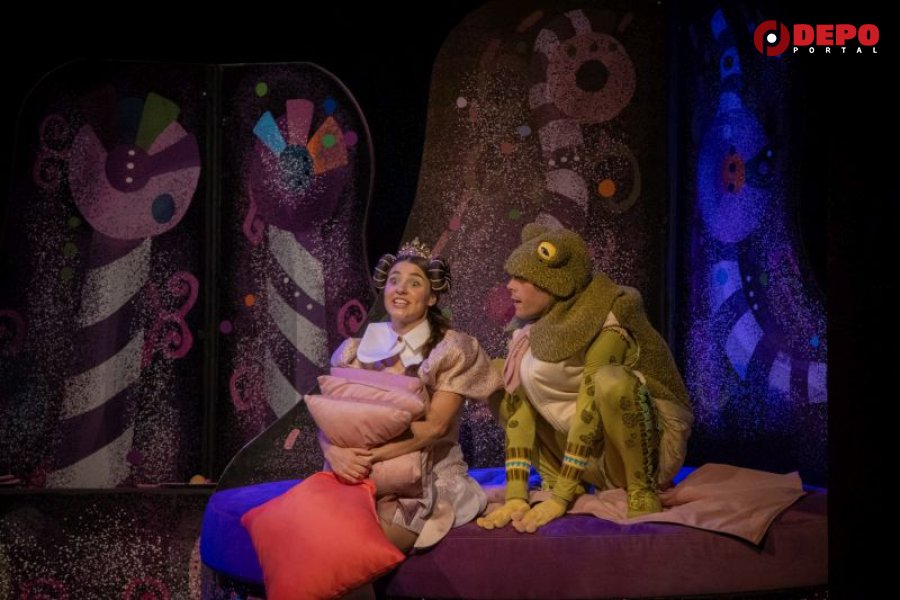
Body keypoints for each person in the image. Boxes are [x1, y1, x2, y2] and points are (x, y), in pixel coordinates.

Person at [477, 223, 694, 533]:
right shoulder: (532, 328)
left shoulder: (609, 311)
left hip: (645, 447)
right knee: (501, 378)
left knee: (610, 381)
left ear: (555, 281)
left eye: (522, 278)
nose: (510, 286)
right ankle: (555, 479)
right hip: (591, 450)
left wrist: (561, 499)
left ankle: (641, 490)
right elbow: (519, 410)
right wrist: (516, 494)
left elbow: (591, 401)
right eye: (512, 277)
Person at [320, 238, 502, 554]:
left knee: (355, 549)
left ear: (432, 297)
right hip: (359, 476)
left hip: (427, 482)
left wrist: (370, 457)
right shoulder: (354, 351)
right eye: (394, 281)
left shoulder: (451, 349)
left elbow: (435, 428)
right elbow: (331, 420)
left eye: (414, 283)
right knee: (312, 538)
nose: (401, 289)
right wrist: (334, 452)